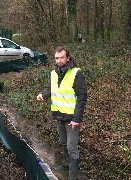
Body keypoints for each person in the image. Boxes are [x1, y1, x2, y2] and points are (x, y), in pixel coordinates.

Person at [37, 46, 87, 180]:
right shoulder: (54, 73)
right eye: (57, 58)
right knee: (63, 144)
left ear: (68, 58)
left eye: (62, 58)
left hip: (72, 118)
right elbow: (50, 88)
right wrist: (43, 94)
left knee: (72, 148)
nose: (59, 60)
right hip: (59, 115)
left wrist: (77, 119)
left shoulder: (76, 73)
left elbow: (82, 98)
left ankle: (73, 175)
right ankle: (66, 166)